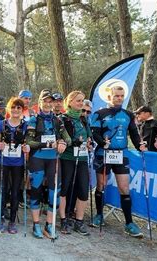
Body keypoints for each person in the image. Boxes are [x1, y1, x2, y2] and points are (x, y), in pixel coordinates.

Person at [91, 85, 147, 237]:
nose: (119, 98)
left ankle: (129, 223)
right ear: (109, 97)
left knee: (124, 188)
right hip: (104, 154)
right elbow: (94, 133)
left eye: (121, 96)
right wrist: (103, 143)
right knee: (101, 185)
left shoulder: (128, 114)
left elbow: (134, 134)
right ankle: (99, 215)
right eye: (116, 96)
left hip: (121, 155)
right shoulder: (99, 114)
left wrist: (140, 145)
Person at [26, 89, 71, 239]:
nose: (47, 104)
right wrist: (47, 143)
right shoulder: (33, 120)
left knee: (54, 193)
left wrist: (63, 142)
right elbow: (29, 142)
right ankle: (36, 224)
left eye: (50, 102)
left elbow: (68, 139)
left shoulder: (58, 120)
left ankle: (49, 225)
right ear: (39, 102)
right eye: (45, 101)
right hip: (37, 159)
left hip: (53, 160)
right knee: (36, 190)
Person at [58, 91, 92, 236]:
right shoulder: (62, 119)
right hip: (67, 158)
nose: (80, 103)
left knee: (83, 190)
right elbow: (61, 137)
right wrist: (72, 142)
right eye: (78, 100)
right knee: (64, 189)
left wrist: (89, 143)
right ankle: (64, 219)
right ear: (70, 102)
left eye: (82, 100)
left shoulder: (84, 119)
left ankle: (79, 221)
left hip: (83, 158)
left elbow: (89, 137)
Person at [0, 97, 30, 233]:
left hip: (18, 162)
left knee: (15, 191)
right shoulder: (1, 124)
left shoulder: (26, 125)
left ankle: (12, 221)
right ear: (9, 108)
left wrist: (27, 148)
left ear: (22, 110)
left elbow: (28, 143)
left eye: (19, 108)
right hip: (2, 161)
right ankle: (0, 218)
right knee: (2, 189)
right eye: (13, 107)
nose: (16, 110)